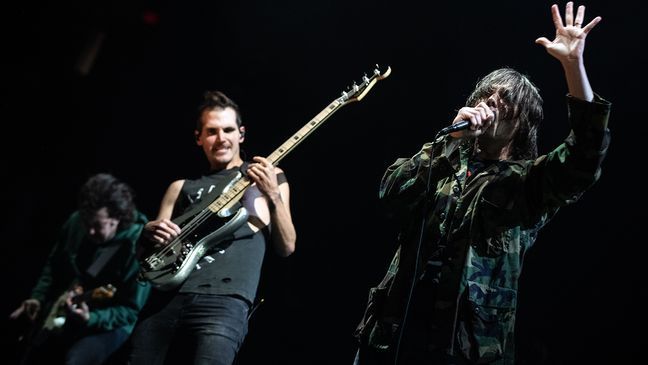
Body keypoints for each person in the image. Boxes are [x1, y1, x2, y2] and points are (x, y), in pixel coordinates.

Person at [353, 2, 610, 364]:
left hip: (466, 349)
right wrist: (449, 142)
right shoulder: (445, 160)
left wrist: (573, 66)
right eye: (486, 96)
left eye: (505, 101)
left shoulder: (527, 184)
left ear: (521, 123)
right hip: (394, 339)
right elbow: (391, 192)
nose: (491, 103)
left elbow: (585, 156)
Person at [128, 90, 297, 365]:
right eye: (212, 131)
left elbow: (287, 246)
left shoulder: (267, 176)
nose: (221, 139)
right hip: (165, 301)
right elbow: (151, 258)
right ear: (199, 138)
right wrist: (147, 233)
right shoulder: (180, 187)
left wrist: (274, 195)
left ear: (241, 134)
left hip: (225, 300)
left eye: (228, 130)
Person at [9, 173, 151, 365]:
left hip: (111, 323)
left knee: (76, 359)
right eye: (86, 222)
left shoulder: (139, 244)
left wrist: (91, 318)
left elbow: (130, 310)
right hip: (67, 310)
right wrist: (37, 297)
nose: (89, 231)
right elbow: (53, 265)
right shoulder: (76, 221)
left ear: (117, 218)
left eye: (96, 225)